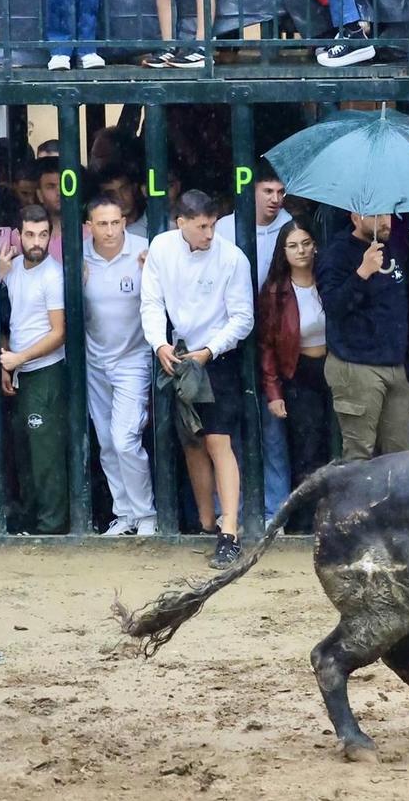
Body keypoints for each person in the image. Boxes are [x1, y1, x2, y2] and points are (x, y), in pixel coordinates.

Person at [142, 191, 255, 569]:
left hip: (216, 355)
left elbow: (242, 318)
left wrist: (211, 350)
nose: (209, 233)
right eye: (202, 226)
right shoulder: (161, 248)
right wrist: (159, 343)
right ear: (182, 224)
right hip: (177, 350)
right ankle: (208, 523)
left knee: (218, 440)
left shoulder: (232, 257)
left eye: (212, 225)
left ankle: (230, 531)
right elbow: (152, 302)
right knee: (191, 440)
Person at [82, 195, 155, 536]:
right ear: (89, 227)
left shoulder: (145, 251)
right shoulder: (79, 255)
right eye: (102, 224)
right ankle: (124, 515)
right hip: (95, 361)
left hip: (134, 358)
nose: (110, 230)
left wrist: (153, 271)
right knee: (107, 443)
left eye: (115, 222)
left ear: (124, 221)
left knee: (125, 439)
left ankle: (146, 516)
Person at [317, 211, 409, 460]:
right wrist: (362, 272)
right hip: (356, 364)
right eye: (375, 215)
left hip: (394, 362)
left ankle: (395, 501)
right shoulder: (337, 253)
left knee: (400, 456)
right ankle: (355, 502)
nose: (385, 221)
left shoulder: (392, 246)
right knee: (358, 456)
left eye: (387, 214)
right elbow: (333, 307)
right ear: (356, 218)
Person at [258, 221, 334, 530]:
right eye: (293, 245)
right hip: (299, 372)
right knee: (308, 449)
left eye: (306, 243)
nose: (301, 250)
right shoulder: (276, 291)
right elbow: (266, 347)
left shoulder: (328, 280)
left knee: (337, 445)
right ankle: (305, 522)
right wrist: (273, 392)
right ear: (283, 251)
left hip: (334, 368)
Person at [0, 204, 67, 534]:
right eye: (30, 234)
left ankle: (51, 525)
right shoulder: (10, 270)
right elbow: (8, 321)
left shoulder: (53, 275)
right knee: (24, 451)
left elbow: (59, 332)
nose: (36, 241)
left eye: (43, 235)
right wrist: (7, 364)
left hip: (45, 372)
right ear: (18, 235)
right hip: (20, 371)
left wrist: (18, 360)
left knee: (45, 455)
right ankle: (30, 520)